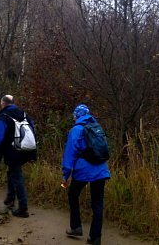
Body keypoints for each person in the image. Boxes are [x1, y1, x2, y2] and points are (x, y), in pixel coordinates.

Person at [62, 104, 111, 245]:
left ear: (77, 116)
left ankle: (76, 227)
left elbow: (69, 155)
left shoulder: (75, 130)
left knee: (72, 195)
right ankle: (95, 237)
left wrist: (65, 175)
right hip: (101, 170)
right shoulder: (98, 128)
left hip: (83, 171)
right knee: (97, 203)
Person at [0, 94, 37, 218]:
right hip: (26, 149)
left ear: (3, 103)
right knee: (12, 172)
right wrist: (33, 153)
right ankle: (10, 198)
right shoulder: (23, 114)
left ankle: (23, 208)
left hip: (13, 152)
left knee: (17, 175)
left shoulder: (3, 117)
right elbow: (33, 129)